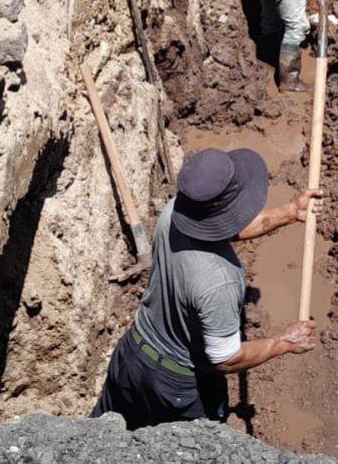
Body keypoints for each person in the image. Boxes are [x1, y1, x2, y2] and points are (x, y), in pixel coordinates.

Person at [92, 148, 322, 428]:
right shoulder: (218, 281)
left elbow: (224, 225)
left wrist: (289, 212)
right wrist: (283, 343)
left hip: (132, 357)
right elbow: (226, 359)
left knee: (101, 436)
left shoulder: (175, 210)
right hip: (177, 388)